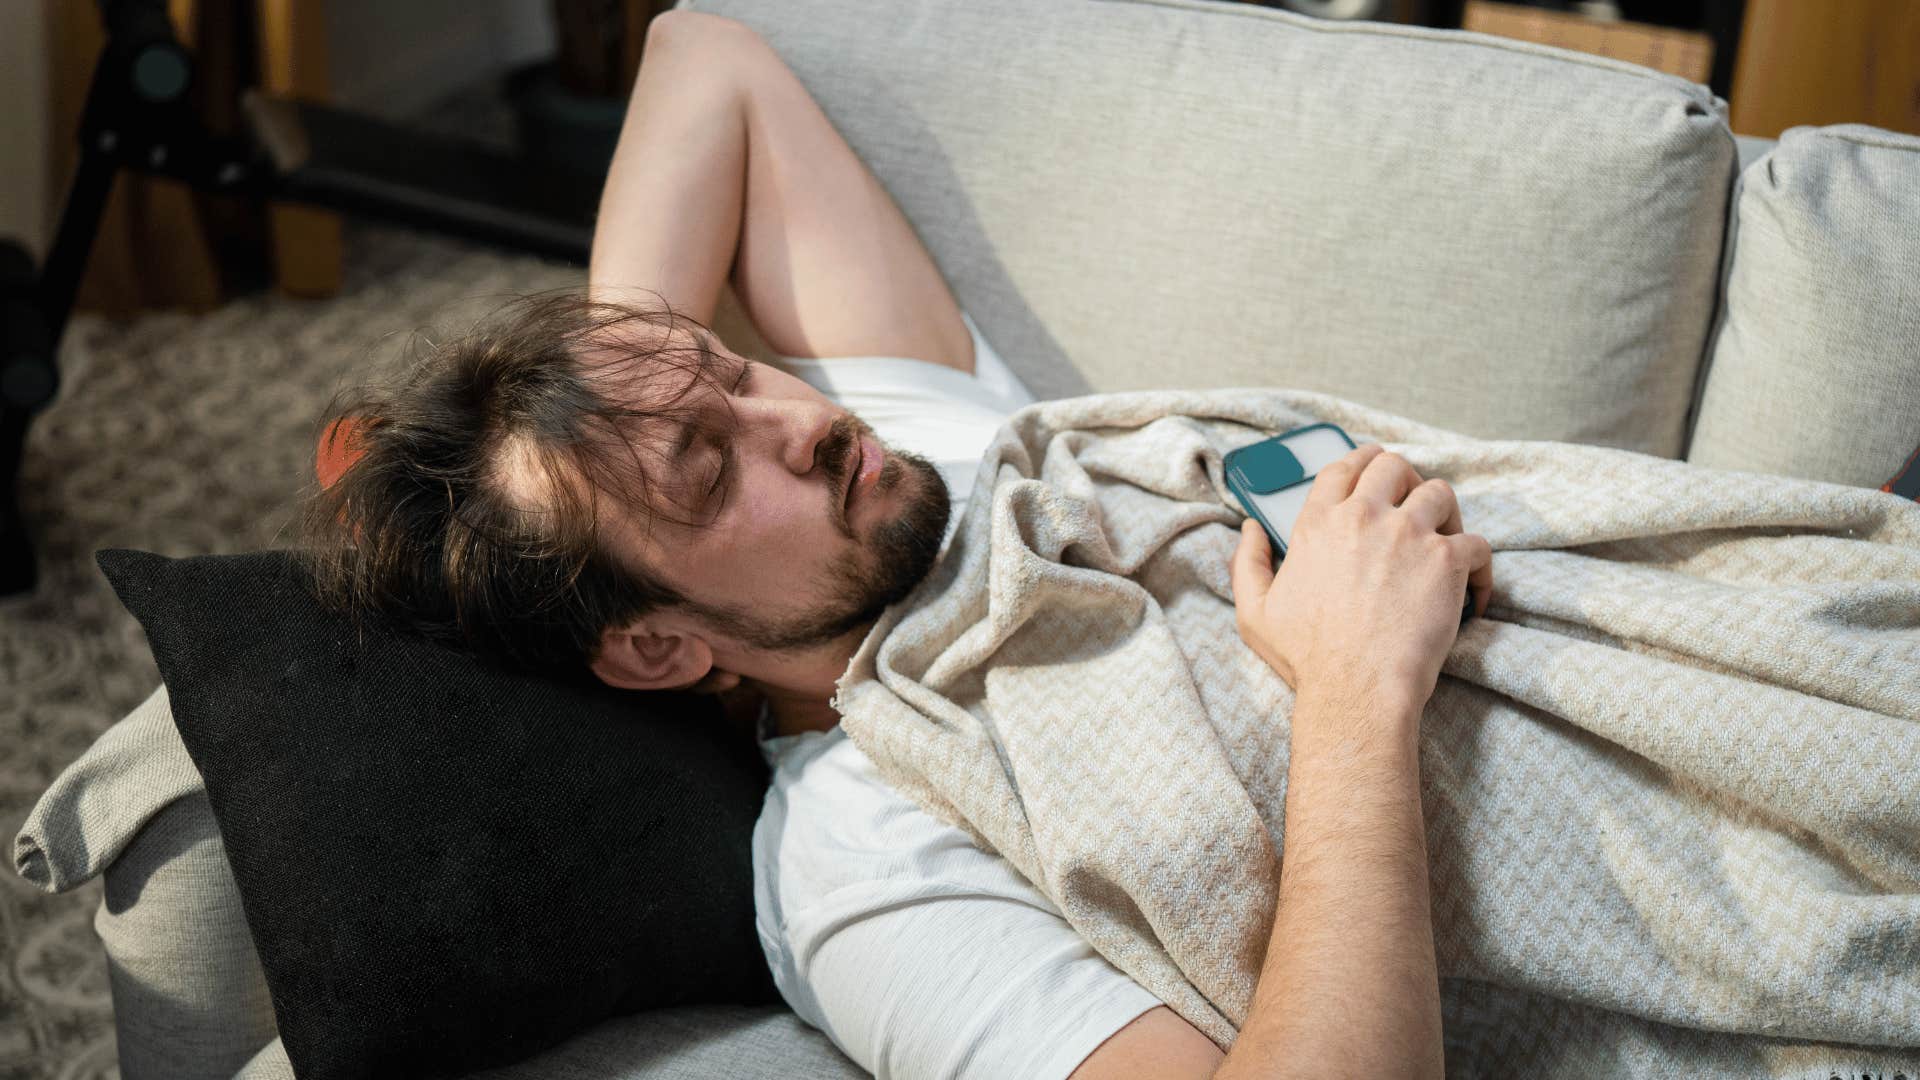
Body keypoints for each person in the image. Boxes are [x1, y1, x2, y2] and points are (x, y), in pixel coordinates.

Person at [304, 11, 1492, 1079]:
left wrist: (611, 401)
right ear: (658, 648)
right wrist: (1355, 686)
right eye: (713, 470)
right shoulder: (861, 872)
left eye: (733, 370)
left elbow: (703, 59)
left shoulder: (901, 459)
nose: (810, 421)